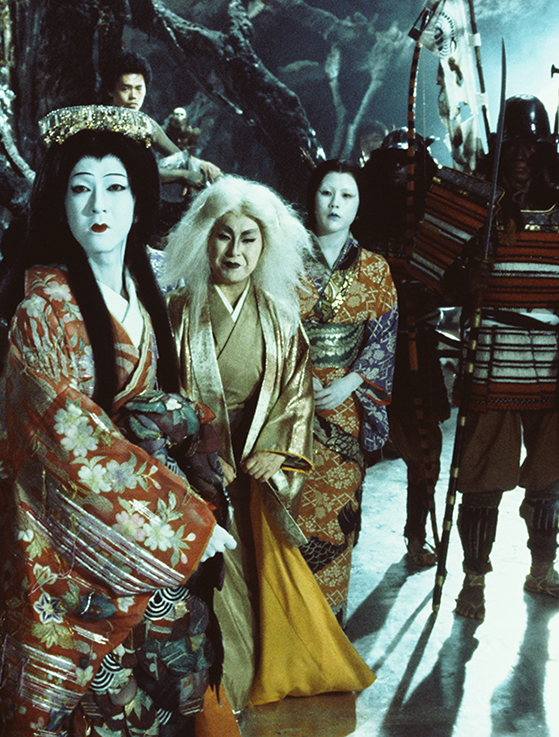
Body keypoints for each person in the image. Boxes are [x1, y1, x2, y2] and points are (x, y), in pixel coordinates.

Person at [0, 105, 237, 737]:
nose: (98, 204)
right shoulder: (43, 309)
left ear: (139, 199)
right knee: (99, 707)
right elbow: (63, 436)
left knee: (166, 700)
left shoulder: (150, 291)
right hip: (81, 542)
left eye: (115, 187)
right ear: (59, 202)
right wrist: (180, 522)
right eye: (79, 188)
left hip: (152, 540)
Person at [164, 175, 375, 709]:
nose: (235, 252)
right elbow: (161, 396)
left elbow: (294, 393)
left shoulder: (281, 317)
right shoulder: (176, 311)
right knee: (212, 580)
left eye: (249, 238)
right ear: (204, 238)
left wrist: (277, 448)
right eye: (223, 235)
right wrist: (201, 454)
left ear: (266, 245)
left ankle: (255, 672)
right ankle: (220, 686)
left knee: (257, 576)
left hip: (255, 473)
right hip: (195, 472)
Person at [452, 95, 559, 618]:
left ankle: (542, 569)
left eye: (531, 146)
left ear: (546, 150)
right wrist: (464, 279)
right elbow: (442, 272)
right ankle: (474, 579)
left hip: (553, 358)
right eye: (513, 144)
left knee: (549, 477)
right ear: (500, 146)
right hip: (493, 353)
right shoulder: (477, 206)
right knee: (481, 478)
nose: (521, 156)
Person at [297, 159, 397, 620]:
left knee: (337, 513)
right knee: (286, 510)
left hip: (344, 404)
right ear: (312, 197)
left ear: (359, 205)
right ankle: (284, 628)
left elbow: (383, 338)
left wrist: (351, 382)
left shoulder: (375, 269)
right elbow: (268, 325)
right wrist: (299, 375)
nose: (335, 204)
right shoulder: (283, 256)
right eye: (326, 193)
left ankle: (328, 628)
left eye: (347, 195)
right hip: (289, 399)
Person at [361, 130, 447, 568]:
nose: (401, 176)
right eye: (393, 167)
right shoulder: (360, 225)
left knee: (425, 448)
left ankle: (416, 536)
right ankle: (342, 536)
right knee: (349, 450)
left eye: (408, 168)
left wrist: (426, 294)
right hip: (364, 351)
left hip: (418, 347)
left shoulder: (433, 225)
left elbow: (452, 282)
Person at [101, 50, 223, 189]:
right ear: (110, 90)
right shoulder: (103, 123)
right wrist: (182, 175)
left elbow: (178, 156)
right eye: (125, 89)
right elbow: (130, 171)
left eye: (139, 88)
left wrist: (202, 165)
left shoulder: (144, 123)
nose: (133, 96)